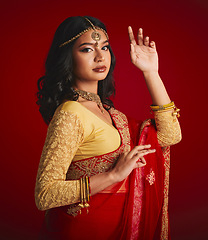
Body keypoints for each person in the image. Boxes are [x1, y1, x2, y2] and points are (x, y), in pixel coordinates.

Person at [35, 16, 182, 240]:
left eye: (104, 47)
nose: (100, 56)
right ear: (67, 58)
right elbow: (45, 194)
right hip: (84, 231)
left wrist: (151, 73)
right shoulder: (70, 113)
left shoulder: (112, 114)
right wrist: (113, 175)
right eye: (86, 49)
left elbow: (170, 135)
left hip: (119, 230)